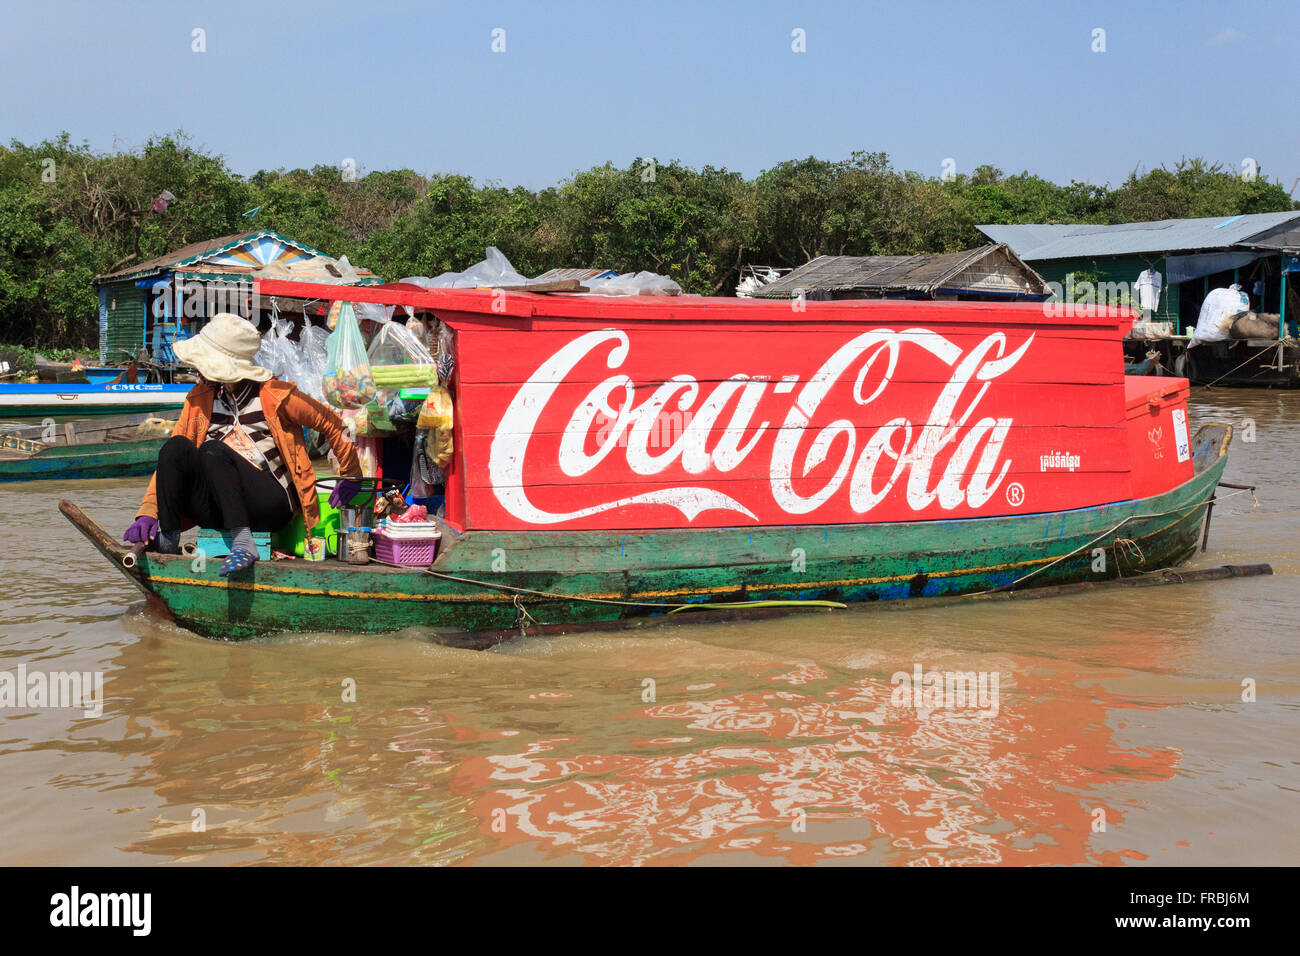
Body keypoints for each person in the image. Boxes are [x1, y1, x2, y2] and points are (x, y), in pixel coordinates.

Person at [123, 313, 363, 576]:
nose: (197, 370)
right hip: (219, 507)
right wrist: (147, 512)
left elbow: (334, 424)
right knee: (174, 448)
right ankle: (168, 540)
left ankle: (244, 542)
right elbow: (171, 464)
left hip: (270, 505)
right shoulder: (198, 398)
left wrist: (351, 475)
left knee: (212, 450)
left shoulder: (275, 395)